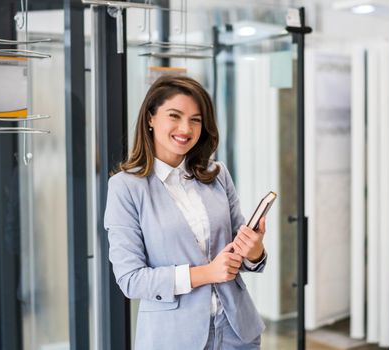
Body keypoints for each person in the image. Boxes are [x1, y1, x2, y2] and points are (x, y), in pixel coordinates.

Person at [104, 75, 268, 350]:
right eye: (175, 116)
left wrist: (254, 250)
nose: (186, 128)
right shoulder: (125, 187)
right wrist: (206, 273)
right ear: (150, 119)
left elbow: (239, 254)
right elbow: (131, 280)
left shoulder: (217, 174)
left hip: (237, 332)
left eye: (196, 119)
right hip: (173, 338)